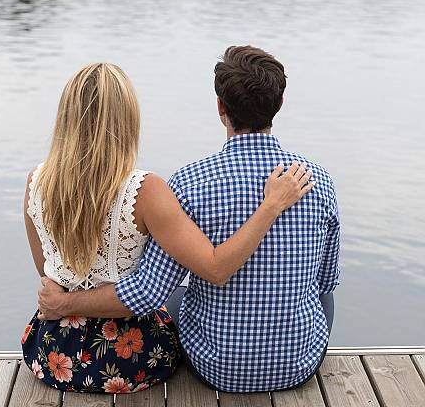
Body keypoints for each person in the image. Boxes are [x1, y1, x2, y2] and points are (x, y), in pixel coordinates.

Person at [22, 61, 313, 394]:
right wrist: (271, 205)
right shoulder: (145, 190)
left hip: (53, 354)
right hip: (129, 362)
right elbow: (211, 270)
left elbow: (47, 272)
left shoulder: (36, 182)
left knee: (170, 288)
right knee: (177, 290)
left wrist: (63, 304)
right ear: (128, 117)